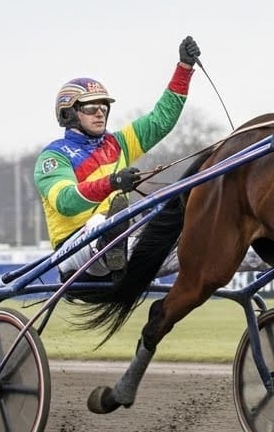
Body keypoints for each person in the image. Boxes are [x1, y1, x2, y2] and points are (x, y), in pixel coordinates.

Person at [35, 36, 202, 280]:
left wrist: (184, 69)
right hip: (73, 250)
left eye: (104, 107)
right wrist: (112, 183)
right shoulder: (54, 156)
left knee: (188, 238)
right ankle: (111, 240)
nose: (100, 113)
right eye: (91, 108)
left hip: (122, 239)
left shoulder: (118, 143)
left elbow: (160, 120)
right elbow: (66, 202)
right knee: (100, 224)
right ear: (69, 113)